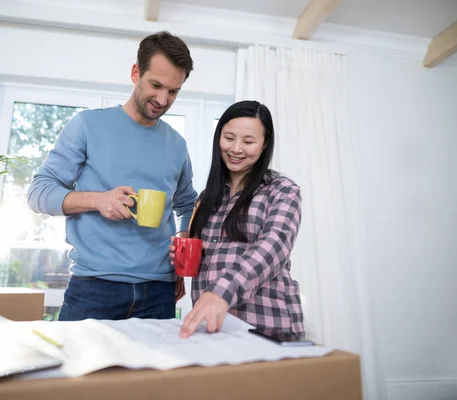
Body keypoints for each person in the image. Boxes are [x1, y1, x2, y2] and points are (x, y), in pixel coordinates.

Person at [27, 31, 198, 321]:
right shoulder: (87, 125)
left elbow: (187, 205)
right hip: (94, 288)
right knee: (78, 369)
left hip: (160, 291)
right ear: (135, 73)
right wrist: (98, 200)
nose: (163, 99)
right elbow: (38, 193)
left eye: (173, 91)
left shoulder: (177, 145)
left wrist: (181, 247)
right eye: (156, 85)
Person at [169, 100, 304, 338]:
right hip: (214, 328)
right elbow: (210, 257)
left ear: (264, 145)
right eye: (229, 138)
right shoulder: (207, 197)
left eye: (248, 141)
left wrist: (221, 292)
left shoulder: (282, 190)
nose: (236, 148)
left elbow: (272, 248)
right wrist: (183, 258)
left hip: (267, 324)